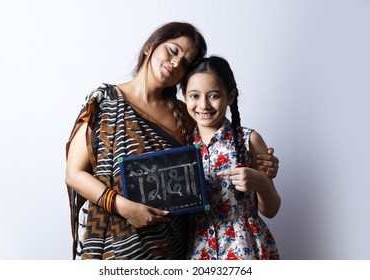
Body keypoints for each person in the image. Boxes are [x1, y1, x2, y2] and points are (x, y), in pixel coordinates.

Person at [65, 22, 278, 260]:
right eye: (173, 51)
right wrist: (124, 207)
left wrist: (264, 168)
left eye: (185, 63)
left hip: (175, 249)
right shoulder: (106, 102)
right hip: (118, 245)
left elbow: (215, 157)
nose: (176, 63)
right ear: (150, 46)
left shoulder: (185, 115)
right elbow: (74, 173)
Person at [181, 55, 281, 260]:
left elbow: (271, 210)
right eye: (194, 95)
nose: (203, 105)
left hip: (246, 248)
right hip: (197, 251)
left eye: (214, 95)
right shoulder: (180, 145)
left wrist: (260, 182)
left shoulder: (249, 140)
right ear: (184, 96)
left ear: (231, 96)